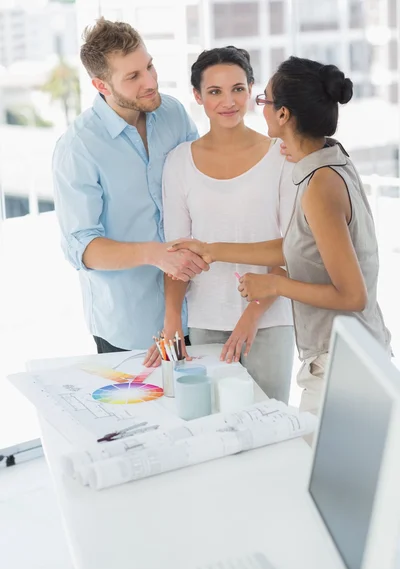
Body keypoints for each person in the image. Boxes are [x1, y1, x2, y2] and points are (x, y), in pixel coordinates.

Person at [170, 56, 391, 412]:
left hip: (346, 363)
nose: (259, 107)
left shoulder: (319, 185)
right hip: (346, 356)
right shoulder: (331, 159)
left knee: (305, 461)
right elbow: (293, 248)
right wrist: (210, 249)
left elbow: (353, 296)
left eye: (265, 100)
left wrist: (274, 286)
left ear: (284, 115)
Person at [52, 17, 209, 356]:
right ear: (102, 85)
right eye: (133, 77)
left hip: (195, 310)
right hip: (128, 327)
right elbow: (82, 247)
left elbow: (199, 191)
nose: (151, 82)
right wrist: (155, 254)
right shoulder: (78, 148)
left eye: (149, 66)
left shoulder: (174, 115)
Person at [159, 46, 296, 403]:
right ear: (198, 96)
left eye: (237, 88)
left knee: (271, 427)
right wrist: (173, 316)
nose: (228, 101)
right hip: (206, 320)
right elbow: (176, 252)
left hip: (269, 321)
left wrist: (251, 316)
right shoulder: (178, 163)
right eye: (215, 92)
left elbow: (292, 248)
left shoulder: (281, 155)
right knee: (214, 427)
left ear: (251, 88)